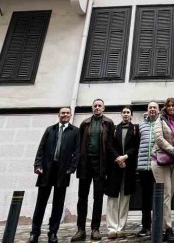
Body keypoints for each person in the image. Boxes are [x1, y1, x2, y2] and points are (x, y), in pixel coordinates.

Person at [30, 107, 80, 243]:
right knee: (40, 203)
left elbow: (77, 151)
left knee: (58, 204)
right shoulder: (49, 130)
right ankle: (34, 233)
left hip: (63, 172)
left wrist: (72, 168)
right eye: (63, 113)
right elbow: (41, 148)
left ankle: (53, 233)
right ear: (59, 115)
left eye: (67, 113)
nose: (65, 115)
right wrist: (37, 165)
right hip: (46, 170)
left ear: (70, 115)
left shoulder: (75, 131)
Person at [72, 99, 115, 242]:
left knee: (98, 197)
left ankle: (95, 228)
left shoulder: (108, 123)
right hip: (85, 163)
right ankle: (81, 229)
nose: (97, 108)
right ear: (92, 108)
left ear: (104, 108)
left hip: (100, 164)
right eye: (95, 106)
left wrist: (109, 167)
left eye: (99, 106)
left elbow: (110, 145)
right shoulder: (84, 123)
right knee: (82, 198)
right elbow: (79, 145)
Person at [153, 97, 174, 243]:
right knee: (166, 195)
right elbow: (159, 139)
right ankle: (168, 229)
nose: (172, 108)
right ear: (165, 107)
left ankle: (160, 226)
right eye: (169, 106)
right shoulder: (159, 120)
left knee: (169, 196)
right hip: (160, 161)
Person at [105, 107, 139, 239]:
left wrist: (125, 156)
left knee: (125, 198)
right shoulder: (114, 129)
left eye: (128, 113)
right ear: (121, 115)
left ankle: (121, 227)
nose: (126, 114)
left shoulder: (135, 130)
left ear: (131, 115)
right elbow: (109, 145)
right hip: (114, 167)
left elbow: (136, 147)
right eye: (124, 112)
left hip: (128, 167)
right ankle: (112, 228)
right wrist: (118, 158)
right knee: (112, 198)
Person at [134, 102, 160, 237]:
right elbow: (137, 143)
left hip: (158, 166)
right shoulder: (141, 125)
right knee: (145, 197)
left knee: (158, 198)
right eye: (150, 108)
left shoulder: (162, 123)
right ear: (147, 110)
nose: (152, 110)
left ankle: (157, 224)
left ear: (158, 110)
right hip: (144, 166)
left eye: (155, 108)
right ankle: (145, 226)